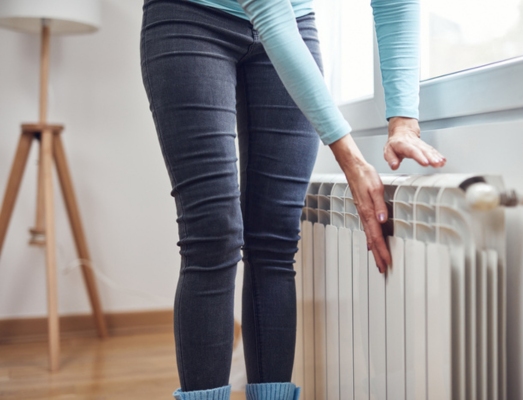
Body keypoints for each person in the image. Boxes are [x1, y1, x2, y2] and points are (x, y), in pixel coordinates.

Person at [140, 0, 445, 398]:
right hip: (190, 17)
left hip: (293, 22)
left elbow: (395, 3)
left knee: (276, 238)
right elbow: (268, 12)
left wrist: (403, 120)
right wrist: (351, 159)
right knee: (213, 234)